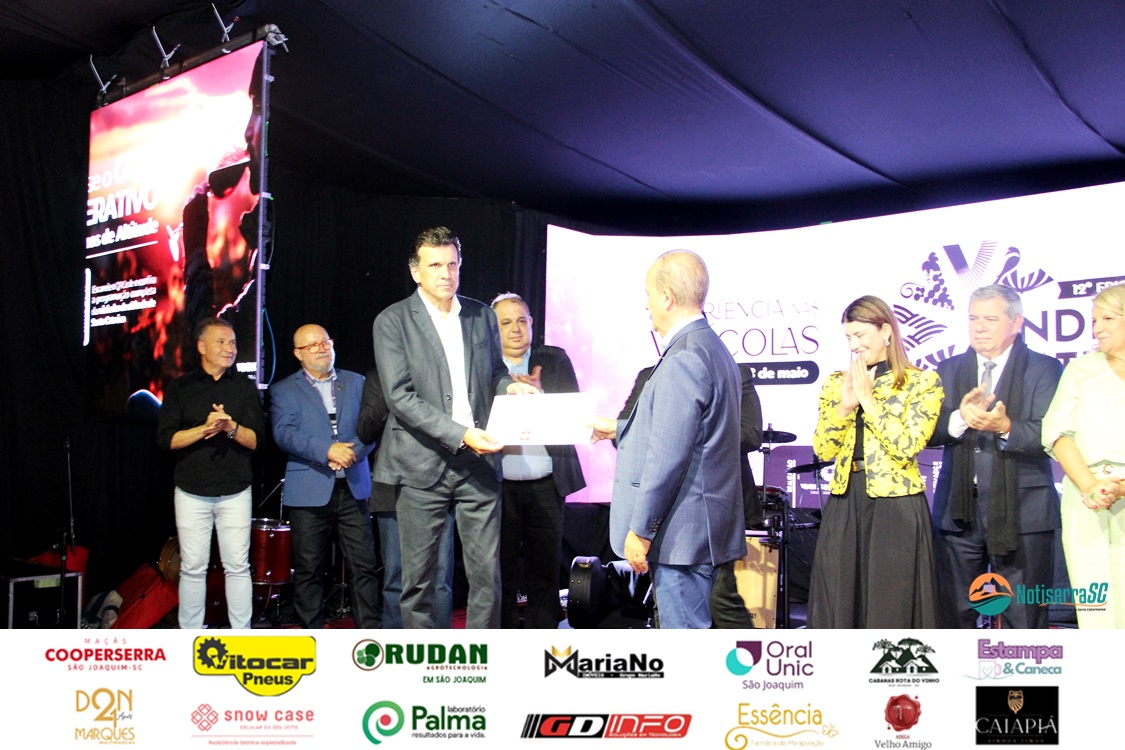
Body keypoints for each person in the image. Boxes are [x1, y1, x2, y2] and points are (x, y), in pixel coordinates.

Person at [372, 226, 536, 628]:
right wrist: (461, 435)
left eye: (452, 264)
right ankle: (423, 659)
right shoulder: (392, 321)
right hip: (419, 463)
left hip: (479, 463)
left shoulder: (482, 315)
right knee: (419, 581)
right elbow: (400, 398)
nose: (445, 273)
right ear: (416, 271)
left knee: (487, 577)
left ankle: (483, 654)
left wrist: (510, 387)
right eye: (434, 266)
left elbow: (494, 374)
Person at [591, 250, 744, 629]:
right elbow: (693, 432)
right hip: (700, 532)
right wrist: (618, 429)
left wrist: (641, 531)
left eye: (648, 294)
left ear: (667, 298)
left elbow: (668, 458)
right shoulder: (710, 346)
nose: (646, 305)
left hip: (681, 539)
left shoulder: (684, 358)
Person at [929, 285, 1062, 628]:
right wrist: (960, 418)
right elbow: (927, 433)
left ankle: (1020, 668)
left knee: (1024, 617)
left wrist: (1005, 427)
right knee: (953, 614)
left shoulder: (1044, 368)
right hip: (958, 513)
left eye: (990, 319)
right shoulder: (948, 369)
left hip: (1023, 512)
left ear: (1016, 323)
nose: (979, 327)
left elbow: (1051, 436)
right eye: (973, 318)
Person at [808, 295, 943, 628]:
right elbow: (823, 450)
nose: (853, 345)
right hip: (845, 500)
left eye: (860, 335)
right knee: (840, 597)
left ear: (886, 331)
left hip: (895, 505)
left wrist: (868, 401)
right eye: (848, 337)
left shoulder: (921, 382)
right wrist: (844, 407)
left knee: (890, 602)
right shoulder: (836, 383)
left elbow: (906, 447)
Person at [617, 361, 763, 627]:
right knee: (667, 601)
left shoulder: (733, 373)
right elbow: (624, 433)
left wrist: (680, 435)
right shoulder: (649, 376)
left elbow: (750, 434)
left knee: (720, 599)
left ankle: (746, 654)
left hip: (714, 508)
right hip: (663, 507)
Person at [156, 316, 265, 629]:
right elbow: (166, 440)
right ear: (202, 347)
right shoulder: (180, 388)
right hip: (191, 490)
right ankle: (190, 635)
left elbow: (257, 441)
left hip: (235, 490)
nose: (230, 348)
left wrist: (230, 427)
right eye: (222, 342)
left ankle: (241, 634)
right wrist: (203, 429)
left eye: (233, 342)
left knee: (238, 566)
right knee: (192, 568)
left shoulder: (244, 388)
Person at [269, 324, 380, 628]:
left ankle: (371, 635)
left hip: (354, 488)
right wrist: (328, 451)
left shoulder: (356, 382)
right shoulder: (283, 390)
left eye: (325, 342)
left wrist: (351, 453)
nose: (321, 348)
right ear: (298, 354)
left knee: (364, 566)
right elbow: (284, 434)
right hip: (309, 490)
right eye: (313, 345)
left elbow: (371, 427)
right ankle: (312, 636)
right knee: (308, 569)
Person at [490, 292, 587, 628]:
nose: (516, 329)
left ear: (532, 322)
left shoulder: (554, 359)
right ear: (493, 329)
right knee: (499, 570)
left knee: (545, 570)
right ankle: (502, 640)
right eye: (506, 322)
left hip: (547, 483)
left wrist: (540, 395)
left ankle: (541, 639)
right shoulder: (483, 365)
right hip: (497, 486)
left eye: (522, 320)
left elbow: (575, 414)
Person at [1042, 284, 1125, 628]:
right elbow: (1057, 434)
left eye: (1108, 319)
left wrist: (1119, 487)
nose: (1097, 328)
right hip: (1085, 498)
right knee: (1095, 609)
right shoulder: (1080, 370)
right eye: (1094, 320)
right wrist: (1092, 486)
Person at [356, 362, 455, 628]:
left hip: (438, 483)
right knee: (396, 576)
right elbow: (364, 430)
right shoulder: (379, 375)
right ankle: (396, 644)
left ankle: (441, 644)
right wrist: (390, 398)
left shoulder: (441, 370)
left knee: (439, 575)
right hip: (392, 486)